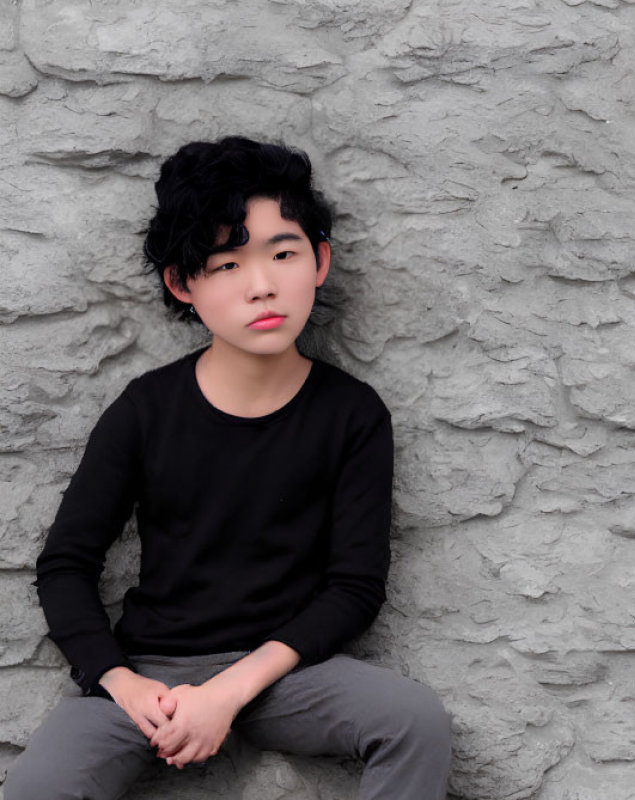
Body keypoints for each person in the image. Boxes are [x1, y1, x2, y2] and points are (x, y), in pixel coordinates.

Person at [5, 137, 452, 800]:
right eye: (226, 264)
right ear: (184, 284)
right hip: (149, 677)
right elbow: (66, 564)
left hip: (283, 675)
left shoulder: (352, 415)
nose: (263, 285)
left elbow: (354, 586)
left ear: (320, 260)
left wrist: (229, 691)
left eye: (283, 253)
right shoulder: (145, 410)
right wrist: (122, 684)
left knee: (415, 721)